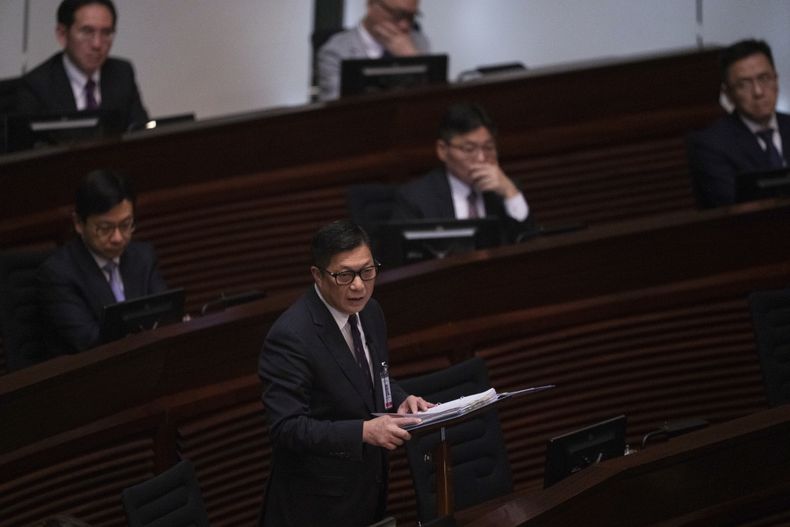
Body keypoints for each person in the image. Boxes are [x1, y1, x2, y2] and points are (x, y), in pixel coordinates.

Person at [258, 220, 431, 527]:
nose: (358, 285)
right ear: (317, 275)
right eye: (344, 275)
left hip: (366, 492)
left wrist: (401, 399)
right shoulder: (291, 336)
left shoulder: (371, 312)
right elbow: (286, 427)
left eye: (367, 271)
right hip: (316, 507)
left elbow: (368, 378)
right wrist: (363, 432)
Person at [37, 169, 167, 357]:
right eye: (105, 228)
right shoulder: (58, 274)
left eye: (125, 225)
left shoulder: (143, 257)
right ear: (79, 223)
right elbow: (89, 342)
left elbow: (165, 315)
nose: (117, 238)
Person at [392, 102, 537, 241]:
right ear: (443, 150)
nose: (481, 158)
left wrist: (510, 193)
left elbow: (529, 245)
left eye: (488, 147)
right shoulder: (416, 199)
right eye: (469, 149)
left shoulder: (503, 192)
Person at [16, 0, 149, 131]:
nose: (97, 44)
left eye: (106, 33)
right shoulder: (36, 86)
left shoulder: (122, 73)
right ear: (62, 34)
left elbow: (141, 132)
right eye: (87, 31)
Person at [687, 39, 789, 208]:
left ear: (776, 80)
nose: (758, 92)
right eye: (744, 84)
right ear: (727, 94)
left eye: (764, 78)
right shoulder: (710, 145)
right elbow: (732, 205)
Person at [317, 0, 429, 101]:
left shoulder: (418, 42)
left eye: (411, 16)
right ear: (371, 4)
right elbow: (335, 111)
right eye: (398, 15)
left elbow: (431, 103)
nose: (404, 25)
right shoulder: (336, 51)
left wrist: (412, 59)